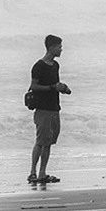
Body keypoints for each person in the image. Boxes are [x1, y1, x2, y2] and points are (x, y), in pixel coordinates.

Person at [28, 35, 71, 184]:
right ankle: (33, 172)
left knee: (49, 142)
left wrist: (62, 88)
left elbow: (55, 83)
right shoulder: (38, 66)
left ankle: (42, 173)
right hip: (42, 108)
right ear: (51, 47)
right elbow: (33, 86)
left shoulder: (55, 65)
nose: (61, 49)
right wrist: (52, 87)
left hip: (54, 107)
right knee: (41, 141)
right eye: (59, 46)